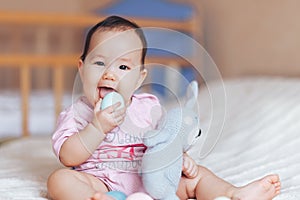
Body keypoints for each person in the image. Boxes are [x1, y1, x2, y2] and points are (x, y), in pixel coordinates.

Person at [47, 15, 281, 200]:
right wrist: (97, 128)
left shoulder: (148, 107)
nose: (109, 73)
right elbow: (68, 157)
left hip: (151, 180)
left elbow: (167, 139)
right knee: (59, 181)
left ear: (140, 79)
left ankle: (234, 194)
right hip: (100, 180)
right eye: (99, 63)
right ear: (81, 68)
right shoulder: (76, 114)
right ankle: (97, 198)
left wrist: (180, 156)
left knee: (197, 175)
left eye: (124, 68)